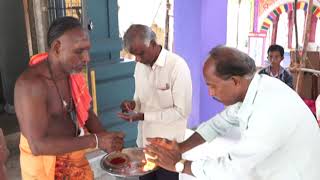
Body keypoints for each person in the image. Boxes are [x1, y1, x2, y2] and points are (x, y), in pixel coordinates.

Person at [145, 46, 320, 180]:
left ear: (235, 81)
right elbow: (218, 124)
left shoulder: (268, 111)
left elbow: (232, 169)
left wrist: (180, 165)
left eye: (212, 86)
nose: (210, 93)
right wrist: (180, 147)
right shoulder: (256, 87)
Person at [14, 16, 124, 180]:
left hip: (74, 158)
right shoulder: (30, 85)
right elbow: (37, 145)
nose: (87, 58)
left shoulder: (72, 74)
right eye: (79, 51)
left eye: (87, 50)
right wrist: (95, 140)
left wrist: (109, 143)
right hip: (46, 166)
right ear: (57, 47)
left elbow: (86, 113)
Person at [117, 24, 192, 180]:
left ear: (153, 44)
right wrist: (132, 104)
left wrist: (143, 116)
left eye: (141, 53)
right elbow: (139, 99)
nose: (137, 59)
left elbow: (181, 111)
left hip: (168, 147)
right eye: (133, 55)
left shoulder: (177, 66)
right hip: (143, 143)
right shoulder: (140, 66)